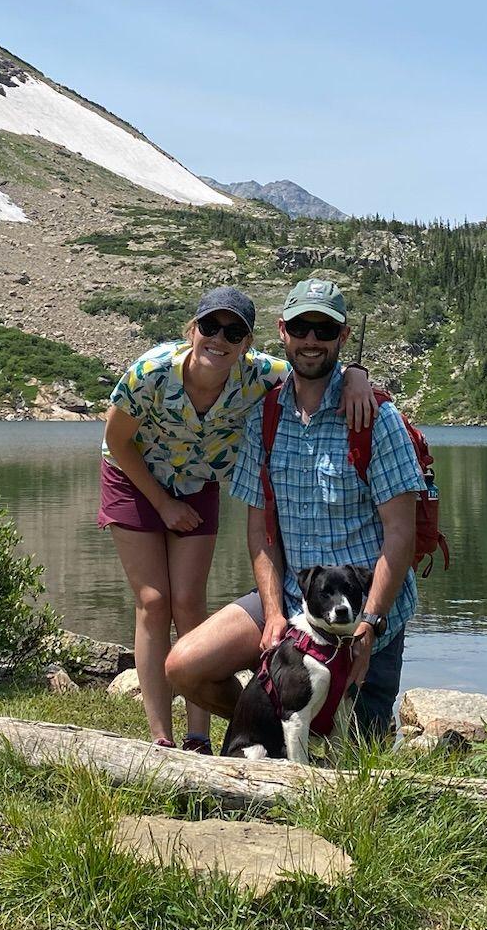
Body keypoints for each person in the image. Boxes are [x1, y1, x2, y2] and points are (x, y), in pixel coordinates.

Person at [100, 287, 375, 750]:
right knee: (153, 600)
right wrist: (163, 504)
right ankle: (161, 738)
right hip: (132, 475)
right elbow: (117, 439)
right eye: (210, 326)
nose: (219, 339)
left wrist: (357, 376)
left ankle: (198, 736)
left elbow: (316, 363)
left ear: (248, 343)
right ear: (193, 330)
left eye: (234, 332)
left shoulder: (259, 374)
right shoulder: (151, 372)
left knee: (189, 601)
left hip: (196, 481)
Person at [165, 277, 423, 746]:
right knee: (184, 666)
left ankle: (302, 731)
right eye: (301, 327)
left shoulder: (376, 419)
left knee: (357, 755)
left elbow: (400, 534)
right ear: (282, 331)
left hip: (365, 621)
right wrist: (272, 613)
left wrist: (369, 623)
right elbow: (260, 531)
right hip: (291, 605)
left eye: (325, 330)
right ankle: (274, 722)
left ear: (343, 337)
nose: (311, 340)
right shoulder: (265, 417)